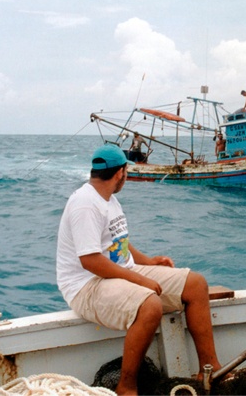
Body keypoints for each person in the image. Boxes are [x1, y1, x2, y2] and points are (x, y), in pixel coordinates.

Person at [56, 143, 224, 395]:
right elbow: (90, 261)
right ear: (121, 172)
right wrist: (139, 280)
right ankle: (127, 387)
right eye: (126, 171)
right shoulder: (85, 204)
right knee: (150, 305)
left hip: (115, 272)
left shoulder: (109, 200)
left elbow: (117, 241)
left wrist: (149, 261)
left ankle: (210, 369)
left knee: (195, 284)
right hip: (86, 285)